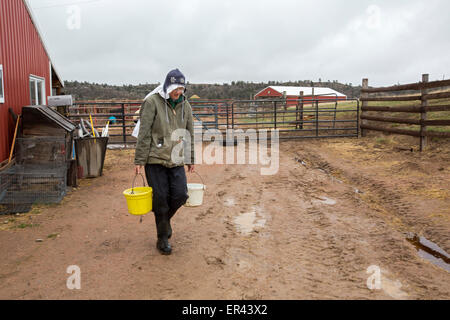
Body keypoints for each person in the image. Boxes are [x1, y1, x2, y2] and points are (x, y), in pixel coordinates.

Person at [134, 69, 195, 255]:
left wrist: (190, 158)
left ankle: (164, 221)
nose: (178, 92)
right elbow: (144, 132)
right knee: (160, 199)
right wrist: (139, 159)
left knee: (180, 195)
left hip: (176, 158)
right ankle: (162, 238)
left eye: (181, 88)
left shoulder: (186, 106)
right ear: (168, 86)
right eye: (176, 88)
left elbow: (189, 133)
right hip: (155, 158)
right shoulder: (152, 103)